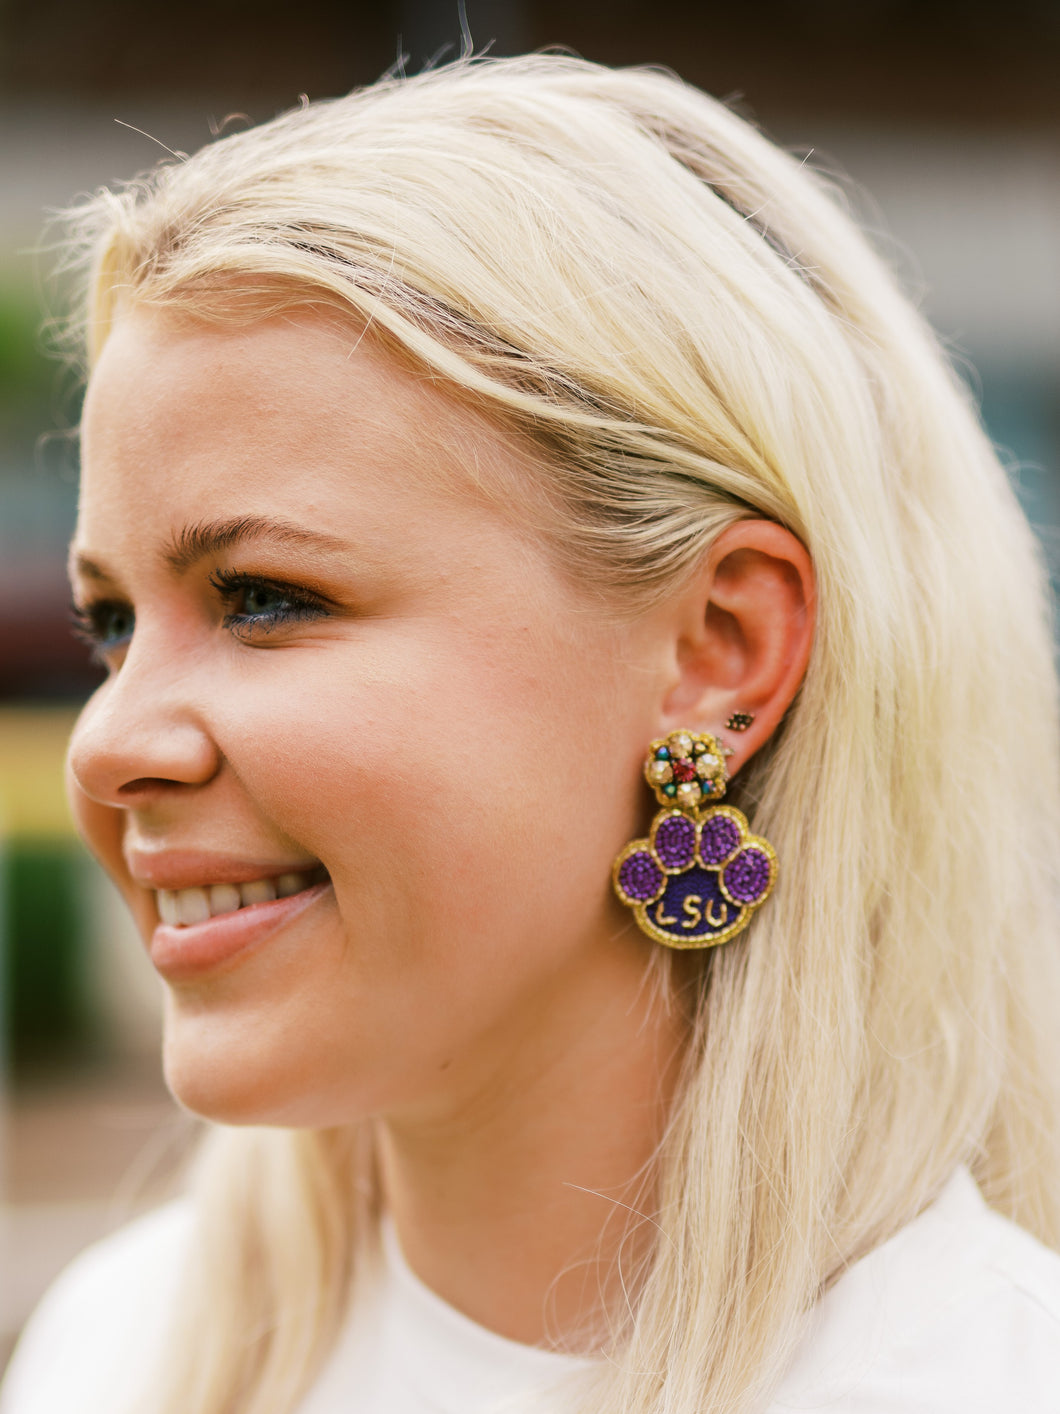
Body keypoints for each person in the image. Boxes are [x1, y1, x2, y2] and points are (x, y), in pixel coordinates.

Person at [3, 53, 1060, 1414]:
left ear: (716, 652)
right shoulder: (115, 1350)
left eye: (266, 597)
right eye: (111, 623)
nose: (106, 742)